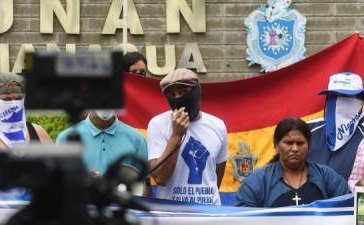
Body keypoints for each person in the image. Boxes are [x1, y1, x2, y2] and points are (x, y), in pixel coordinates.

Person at [147, 68, 228, 205]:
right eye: (172, 94)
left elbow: (217, 173)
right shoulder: (158, 124)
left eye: (184, 92)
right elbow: (160, 178)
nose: (178, 98)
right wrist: (176, 135)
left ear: (197, 91)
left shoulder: (218, 125)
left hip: (208, 214)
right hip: (172, 215)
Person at [233, 117, 350, 208]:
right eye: (288, 143)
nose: (295, 149)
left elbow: (350, 207)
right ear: (276, 145)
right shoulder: (257, 182)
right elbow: (241, 218)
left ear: (308, 145)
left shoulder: (327, 177)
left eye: (300, 143)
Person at [55, 110, 148, 178]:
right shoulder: (66, 138)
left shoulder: (136, 139)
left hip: (123, 204)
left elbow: (144, 187)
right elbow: (58, 181)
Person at [307, 72, 364, 180]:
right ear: (328, 98)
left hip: (351, 196)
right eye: (335, 96)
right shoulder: (307, 130)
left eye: (347, 96)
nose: (340, 101)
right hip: (305, 196)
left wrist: (357, 197)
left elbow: (362, 187)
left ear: (360, 99)